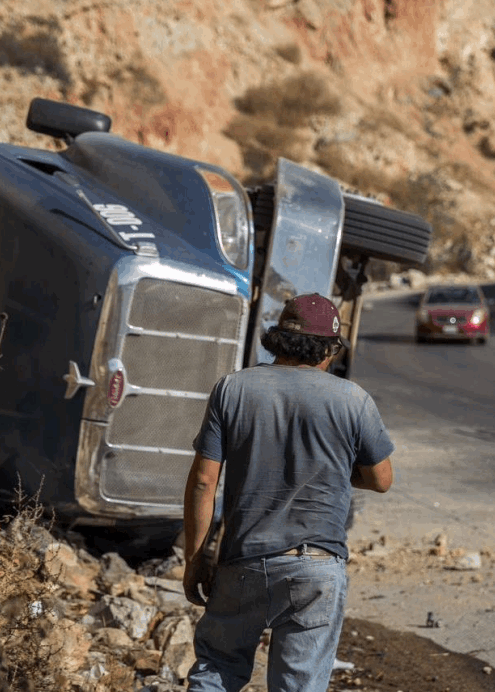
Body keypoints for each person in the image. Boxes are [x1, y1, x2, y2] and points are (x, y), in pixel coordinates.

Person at [182, 293, 395, 692]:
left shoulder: (233, 389)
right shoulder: (353, 399)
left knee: (216, 672)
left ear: (276, 339)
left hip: (242, 561)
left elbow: (202, 482)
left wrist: (194, 561)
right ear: (330, 349)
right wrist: (330, 470)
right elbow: (381, 479)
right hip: (316, 567)